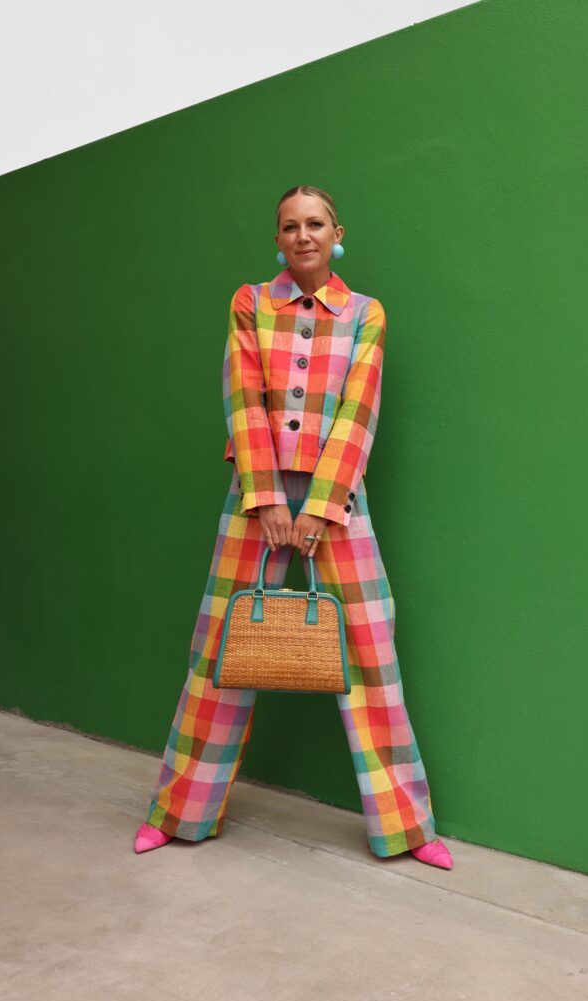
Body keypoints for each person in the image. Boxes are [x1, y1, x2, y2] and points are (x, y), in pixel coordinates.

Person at [134, 185, 453, 870]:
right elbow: (242, 398)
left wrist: (318, 506)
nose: (302, 235)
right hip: (257, 499)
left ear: (337, 233)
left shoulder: (365, 314)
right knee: (218, 653)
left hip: (337, 501)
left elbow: (359, 410)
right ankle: (179, 813)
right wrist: (268, 497)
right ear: (277, 239)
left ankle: (407, 827)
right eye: (289, 226)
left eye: (314, 224)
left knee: (371, 653)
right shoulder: (250, 303)